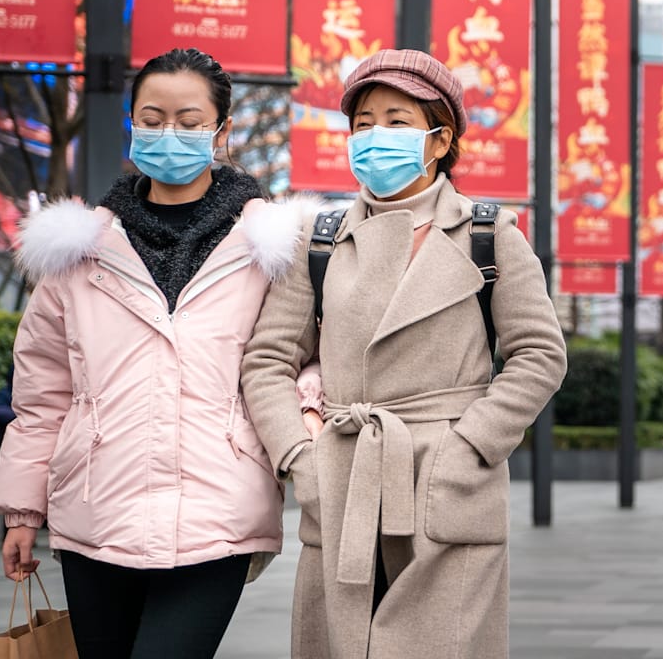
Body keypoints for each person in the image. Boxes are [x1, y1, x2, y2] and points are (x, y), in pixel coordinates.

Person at [0, 48, 318, 658]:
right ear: (131, 122)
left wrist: (303, 425)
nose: (170, 133)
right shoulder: (77, 252)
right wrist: (21, 511)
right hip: (94, 512)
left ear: (222, 132)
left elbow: (309, 358)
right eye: (153, 117)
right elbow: (42, 396)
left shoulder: (274, 249)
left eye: (190, 121)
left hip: (218, 511)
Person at [241, 48, 568, 659]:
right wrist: (300, 458)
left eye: (396, 121)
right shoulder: (319, 240)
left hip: (447, 480)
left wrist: (468, 446)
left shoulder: (489, 234)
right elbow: (266, 361)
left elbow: (538, 355)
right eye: (363, 124)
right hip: (343, 476)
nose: (374, 138)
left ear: (440, 140)